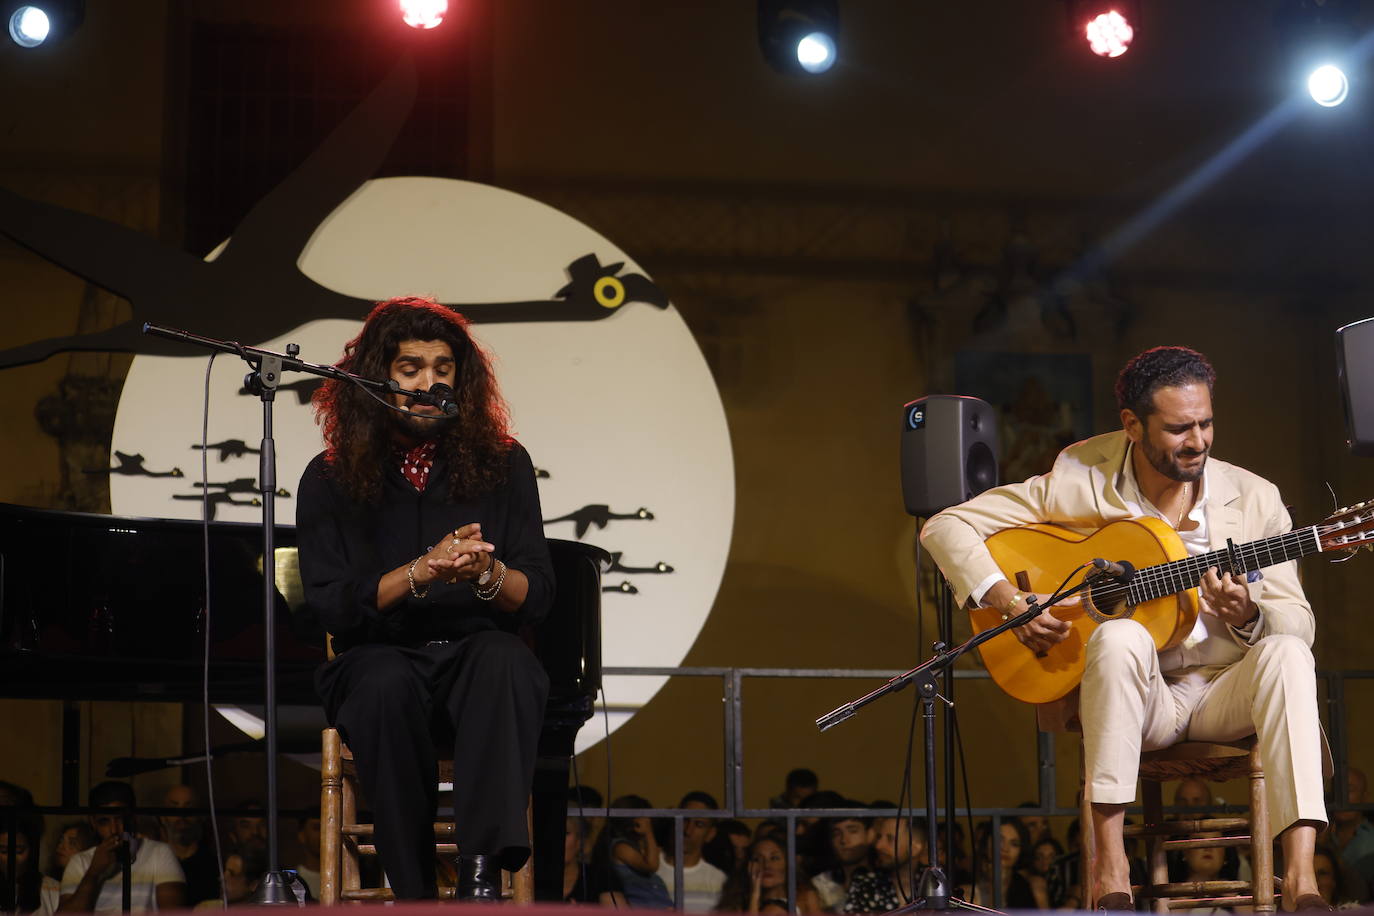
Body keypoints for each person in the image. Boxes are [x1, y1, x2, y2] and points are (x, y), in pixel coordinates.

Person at [921, 346, 1328, 912]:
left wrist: (1248, 615)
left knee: (1286, 651)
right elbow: (946, 525)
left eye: (1207, 423)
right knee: (1117, 635)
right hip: (1142, 699)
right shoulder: (1079, 479)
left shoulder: (1255, 498)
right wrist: (1009, 601)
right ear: (1133, 425)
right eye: (1179, 428)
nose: (1199, 441)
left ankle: (1302, 881)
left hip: (1225, 691)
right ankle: (1111, 869)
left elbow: (1299, 623)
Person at [300, 297, 553, 901]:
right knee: (383, 680)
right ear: (376, 377)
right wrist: (424, 570)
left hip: (472, 655)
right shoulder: (329, 477)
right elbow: (333, 606)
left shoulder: (504, 463)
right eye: (411, 369)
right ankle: (413, 893)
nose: (429, 383)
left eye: (443, 369)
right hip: (378, 658)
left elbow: (537, 595)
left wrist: (487, 572)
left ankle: (479, 876)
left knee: (507, 660)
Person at [56, 781, 186, 914]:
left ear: (133, 818)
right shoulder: (80, 862)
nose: (114, 830)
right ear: (93, 823)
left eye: (120, 819)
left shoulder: (158, 853)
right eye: (104, 821)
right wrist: (93, 873)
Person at [590, 795, 671, 909]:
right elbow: (651, 865)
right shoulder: (620, 847)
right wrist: (648, 832)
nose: (649, 822)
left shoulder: (632, 847)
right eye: (646, 819)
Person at [657, 792, 727, 913]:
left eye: (699, 824)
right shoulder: (647, 866)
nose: (688, 830)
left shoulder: (718, 881)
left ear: (711, 834)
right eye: (684, 820)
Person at [715, 835, 823, 915]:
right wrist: (754, 896)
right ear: (748, 866)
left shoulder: (805, 896)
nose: (766, 865)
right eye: (757, 859)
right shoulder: (736, 901)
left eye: (774, 858)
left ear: (788, 863)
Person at [843, 814, 927, 913]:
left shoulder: (935, 884)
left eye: (890, 839)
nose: (878, 845)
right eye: (879, 837)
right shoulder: (865, 884)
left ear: (914, 848)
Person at [158, 786, 219, 906]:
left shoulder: (216, 866)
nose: (182, 815)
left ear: (201, 816)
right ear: (162, 817)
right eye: (174, 808)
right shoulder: (153, 863)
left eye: (189, 807)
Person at [0, 818, 58, 916]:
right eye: (4, 852)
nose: (11, 859)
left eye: (19, 851)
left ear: (32, 851)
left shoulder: (53, 891)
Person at [292, 817, 320, 901]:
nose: (324, 833)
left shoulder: (347, 881)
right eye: (317, 828)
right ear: (302, 835)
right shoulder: (291, 880)